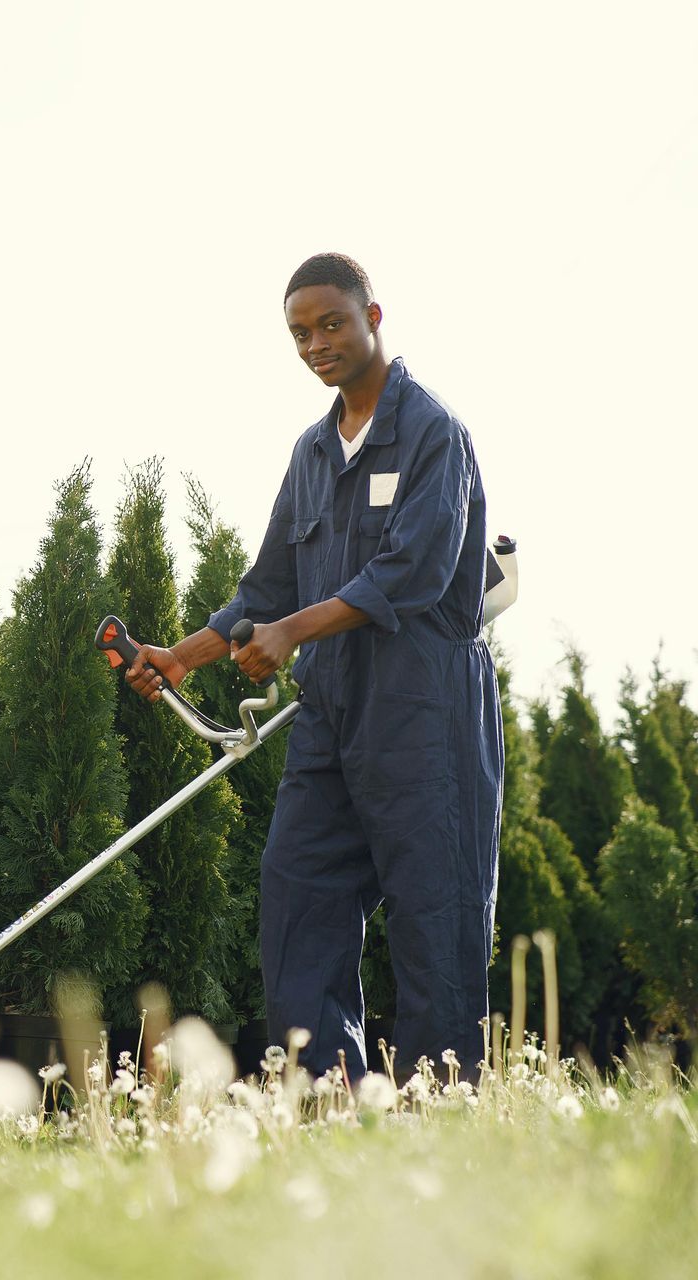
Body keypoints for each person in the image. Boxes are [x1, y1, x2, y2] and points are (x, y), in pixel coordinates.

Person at [123, 252, 502, 1079]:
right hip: (333, 713)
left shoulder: (434, 434)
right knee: (299, 900)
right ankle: (329, 1101)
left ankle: (445, 1113)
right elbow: (267, 587)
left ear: (374, 317)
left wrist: (292, 631)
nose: (316, 344)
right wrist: (182, 658)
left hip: (424, 709)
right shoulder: (312, 452)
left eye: (331, 323)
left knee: (435, 918)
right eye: (299, 332)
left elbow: (414, 574)